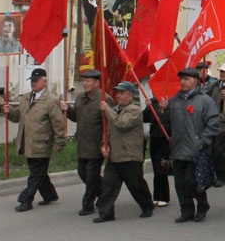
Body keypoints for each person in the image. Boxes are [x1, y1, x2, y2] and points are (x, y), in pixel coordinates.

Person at [4, 68, 66, 212]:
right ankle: (50, 195)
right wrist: (8, 113)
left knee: (36, 173)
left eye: (36, 81)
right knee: (39, 172)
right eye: (32, 81)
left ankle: (26, 200)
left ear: (44, 81)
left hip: (41, 143)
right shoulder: (26, 98)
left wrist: (60, 142)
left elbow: (57, 123)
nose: (33, 83)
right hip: (27, 143)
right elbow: (18, 117)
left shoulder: (51, 100)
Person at [94, 82, 154, 222]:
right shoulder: (115, 109)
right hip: (115, 155)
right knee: (108, 187)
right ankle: (106, 213)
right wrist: (104, 145)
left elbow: (122, 124)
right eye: (117, 93)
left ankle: (147, 206)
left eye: (122, 93)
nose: (118, 96)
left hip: (129, 156)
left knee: (136, 185)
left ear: (130, 95)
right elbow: (109, 131)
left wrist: (107, 110)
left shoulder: (135, 110)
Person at [168, 67, 221, 223]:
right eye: (182, 79)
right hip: (178, 148)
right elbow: (167, 122)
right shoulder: (174, 101)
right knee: (179, 184)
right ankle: (186, 210)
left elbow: (213, 122)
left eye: (187, 79)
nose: (183, 82)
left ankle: (202, 205)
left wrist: (202, 140)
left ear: (195, 81)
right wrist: (161, 109)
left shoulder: (205, 101)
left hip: (196, 149)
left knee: (192, 182)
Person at [62, 69, 114, 216]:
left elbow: (111, 123)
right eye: (83, 80)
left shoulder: (105, 99)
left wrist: (106, 142)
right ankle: (106, 194)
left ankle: (88, 205)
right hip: (83, 144)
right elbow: (77, 118)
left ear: (97, 83)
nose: (84, 83)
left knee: (91, 176)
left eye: (88, 81)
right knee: (82, 173)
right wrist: (67, 110)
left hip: (96, 145)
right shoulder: (80, 98)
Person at [205, 63, 225, 187]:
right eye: (221, 71)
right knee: (211, 149)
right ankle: (213, 175)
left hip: (224, 121)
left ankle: (222, 177)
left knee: (219, 150)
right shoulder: (214, 85)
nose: (222, 74)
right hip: (212, 120)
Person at [143, 96, 172, 207]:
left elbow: (172, 120)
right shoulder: (154, 102)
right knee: (156, 167)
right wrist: (148, 107)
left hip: (166, 138)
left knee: (162, 167)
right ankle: (157, 196)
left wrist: (166, 109)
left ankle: (164, 196)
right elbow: (144, 118)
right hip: (155, 138)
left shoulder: (171, 101)